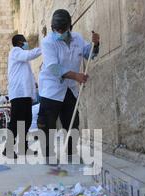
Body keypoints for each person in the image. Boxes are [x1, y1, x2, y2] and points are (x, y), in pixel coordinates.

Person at [38, 9, 100, 163]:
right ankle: (48, 156)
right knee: (47, 125)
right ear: (53, 28)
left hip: (69, 89)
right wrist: (77, 76)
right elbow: (54, 67)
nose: (59, 32)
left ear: (69, 27)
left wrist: (96, 44)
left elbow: (89, 54)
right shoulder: (47, 42)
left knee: (72, 122)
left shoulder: (78, 38)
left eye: (62, 29)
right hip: (51, 89)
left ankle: (72, 153)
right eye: (56, 29)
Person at [4, 34, 42, 158]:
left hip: (25, 95)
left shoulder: (21, 58)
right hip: (19, 94)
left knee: (26, 122)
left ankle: (23, 148)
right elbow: (29, 55)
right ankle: (8, 149)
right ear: (20, 42)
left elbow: (27, 76)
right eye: (25, 41)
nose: (27, 43)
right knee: (16, 122)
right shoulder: (16, 51)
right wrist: (43, 48)